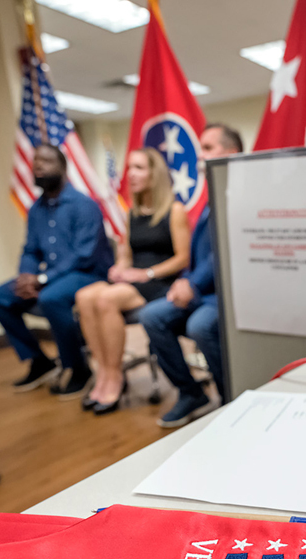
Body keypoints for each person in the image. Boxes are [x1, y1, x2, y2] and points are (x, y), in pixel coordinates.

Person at [0, 143, 114, 398]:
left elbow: (83, 256)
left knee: (51, 298)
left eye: (46, 161)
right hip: (52, 276)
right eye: (35, 162)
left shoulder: (84, 205)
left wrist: (42, 279)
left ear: (63, 168)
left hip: (88, 274)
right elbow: (31, 250)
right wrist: (26, 276)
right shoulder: (36, 210)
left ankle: (78, 369)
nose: (38, 166)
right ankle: (39, 361)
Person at [139, 123, 241, 428]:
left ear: (231, 154)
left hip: (223, 294)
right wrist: (185, 280)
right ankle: (190, 392)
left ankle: (231, 399)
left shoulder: (237, 196)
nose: (200, 155)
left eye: (208, 148)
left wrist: (192, 283)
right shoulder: (211, 197)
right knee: (151, 316)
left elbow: (221, 254)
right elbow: (200, 254)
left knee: (199, 326)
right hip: (202, 290)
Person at [75, 147, 190, 414]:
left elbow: (182, 258)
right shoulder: (131, 213)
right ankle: (102, 372)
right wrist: (119, 267)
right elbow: (127, 254)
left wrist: (146, 273)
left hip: (159, 281)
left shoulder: (174, 211)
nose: (131, 174)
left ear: (154, 173)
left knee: (105, 299)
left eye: (139, 168)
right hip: (133, 279)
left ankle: (115, 376)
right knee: (83, 297)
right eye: (129, 168)